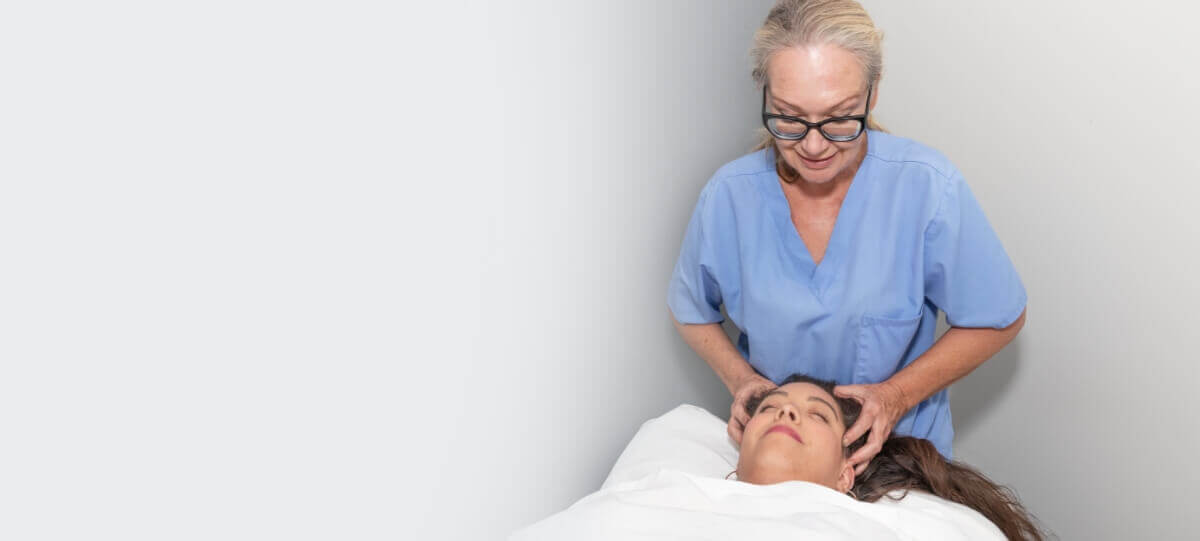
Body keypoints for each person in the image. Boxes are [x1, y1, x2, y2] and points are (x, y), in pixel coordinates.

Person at [668, 0, 1027, 473]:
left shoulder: (924, 188)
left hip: (902, 461)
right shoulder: (729, 198)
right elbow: (691, 310)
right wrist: (742, 382)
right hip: (783, 468)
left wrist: (895, 397)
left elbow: (998, 318)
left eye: (840, 118)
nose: (814, 146)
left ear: (873, 94)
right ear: (764, 94)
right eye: (789, 117)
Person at [736, 373, 1047, 540]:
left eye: (818, 415)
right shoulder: (688, 499)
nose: (786, 411)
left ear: (845, 475)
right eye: (768, 408)